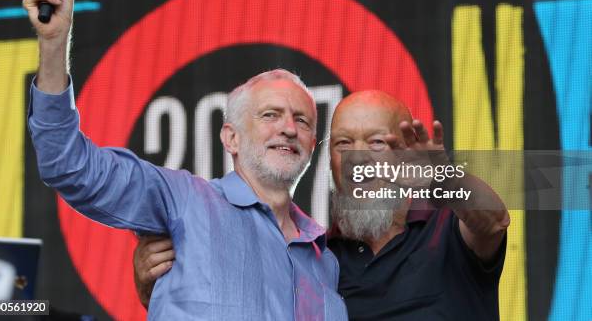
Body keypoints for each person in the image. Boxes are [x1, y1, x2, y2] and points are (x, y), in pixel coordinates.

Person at [23, 0, 348, 320]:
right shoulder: (184, 200)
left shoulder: (325, 259)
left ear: (312, 143)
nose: (288, 128)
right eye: (270, 115)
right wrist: (53, 44)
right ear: (231, 138)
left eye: (301, 119)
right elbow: (68, 164)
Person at [135, 90, 509, 320]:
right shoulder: (315, 256)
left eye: (377, 142)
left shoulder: (447, 230)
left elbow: (493, 220)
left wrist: (443, 179)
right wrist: (152, 282)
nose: (359, 159)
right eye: (343, 144)